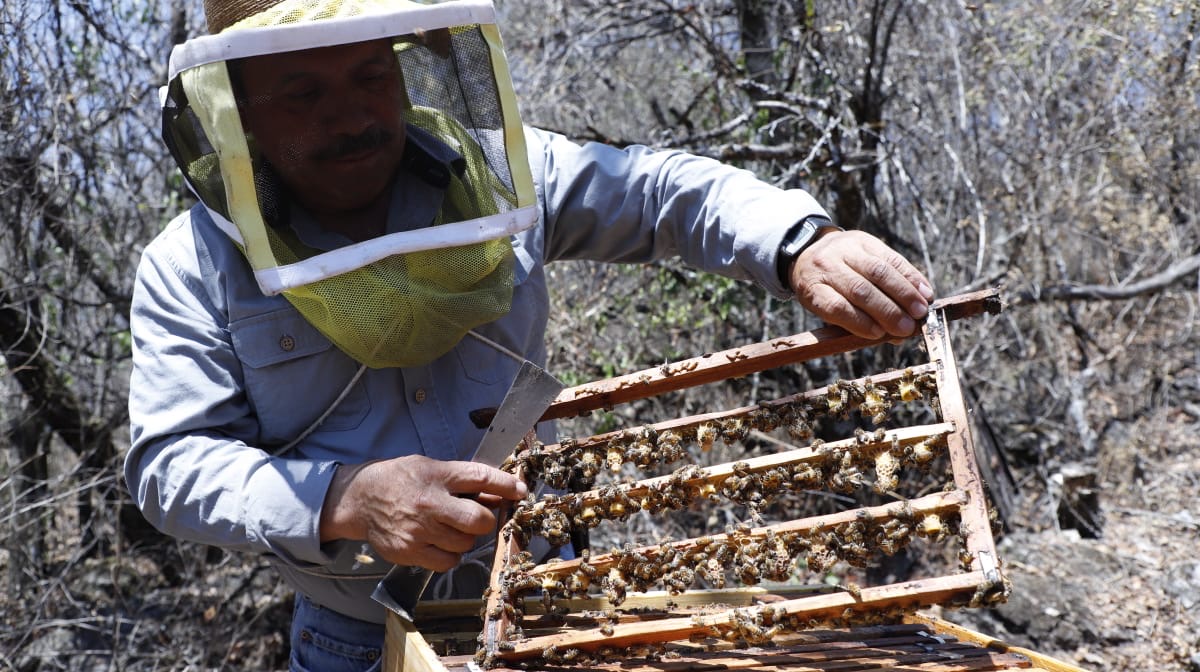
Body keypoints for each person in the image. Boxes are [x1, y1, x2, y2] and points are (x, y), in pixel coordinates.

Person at [126, 0, 934, 669]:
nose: (352, 116)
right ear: (236, 110)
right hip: (356, 638)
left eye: (372, 74)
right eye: (303, 93)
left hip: (551, 601)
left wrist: (799, 242)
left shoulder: (501, 175)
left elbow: (658, 192)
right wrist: (345, 500)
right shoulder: (190, 265)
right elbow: (171, 464)